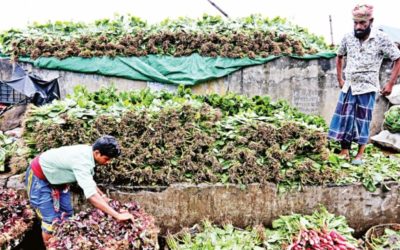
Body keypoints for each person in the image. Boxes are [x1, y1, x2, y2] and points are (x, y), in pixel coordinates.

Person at [24, 135, 134, 245]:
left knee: (67, 215)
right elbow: (92, 197)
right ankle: (51, 246)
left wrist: (104, 197)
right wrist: (117, 215)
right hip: (39, 177)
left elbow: (89, 183)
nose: (108, 162)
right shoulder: (82, 161)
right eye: (106, 159)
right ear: (97, 153)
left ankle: (63, 245)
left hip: (58, 179)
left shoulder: (89, 154)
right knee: (51, 221)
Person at [328, 4, 400, 164]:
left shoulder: (381, 39)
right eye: (355, 23)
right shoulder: (348, 37)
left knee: (362, 121)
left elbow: (397, 58)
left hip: (367, 87)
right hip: (349, 86)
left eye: (363, 24)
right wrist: (340, 78)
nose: (358, 27)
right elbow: (339, 56)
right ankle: (344, 150)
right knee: (346, 119)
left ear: (371, 21)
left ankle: (359, 154)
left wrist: (390, 84)